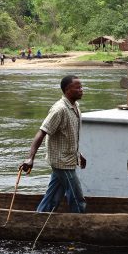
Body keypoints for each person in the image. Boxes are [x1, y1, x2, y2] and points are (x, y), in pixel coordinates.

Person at [20, 75, 87, 213]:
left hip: (68, 159)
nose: (82, 90)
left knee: (53, 198)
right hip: (62, 163)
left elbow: (68, 136)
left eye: (81, 87)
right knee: (77, 198)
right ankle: (80, 227)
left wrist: (78, 154)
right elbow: (41, 132)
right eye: (78, 87)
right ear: (68, 90)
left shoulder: (75, 106)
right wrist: (30, 157)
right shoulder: (59, 109)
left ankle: (39, 218)